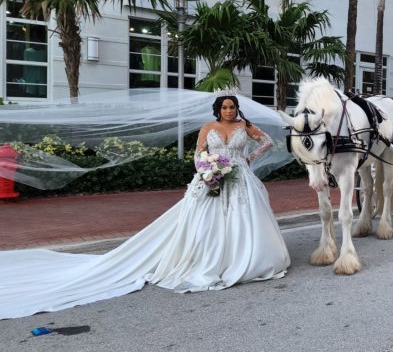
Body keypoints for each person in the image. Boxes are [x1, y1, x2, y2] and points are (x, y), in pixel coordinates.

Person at [0, 94, 290, 320]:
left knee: (245, 217)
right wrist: (205, 171)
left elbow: (266, 142)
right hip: (212, 176)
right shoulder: (208, 127)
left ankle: (246, 258)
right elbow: (198, 154)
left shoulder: (245, 126)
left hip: (239, 176)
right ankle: (208, 259)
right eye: (225, 107)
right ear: (218, 109)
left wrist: (248, 159)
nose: (229, 111)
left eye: (232, 107)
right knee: (205, 220)